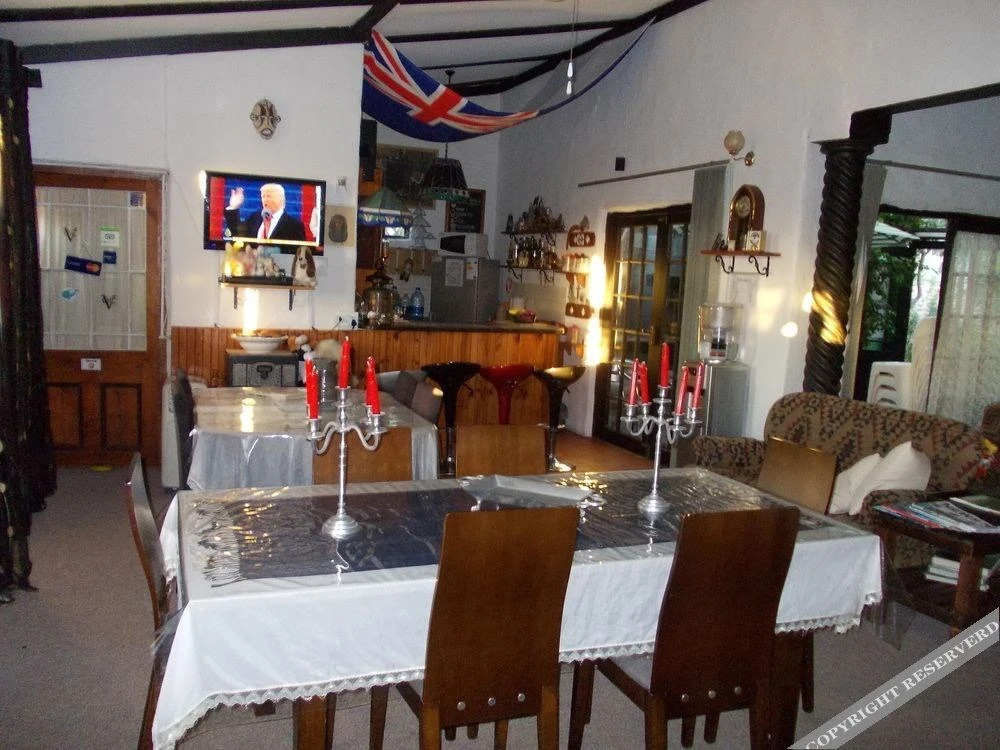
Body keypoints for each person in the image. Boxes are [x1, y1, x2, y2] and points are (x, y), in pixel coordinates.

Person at [224, 182, 306, 243]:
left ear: (281, 199)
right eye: (263, 196)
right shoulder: (255, 217)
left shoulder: (294, 226)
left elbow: (299, 252)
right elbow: (238, 234)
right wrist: (233, 207)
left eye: (269, 196)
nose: (265, 200)